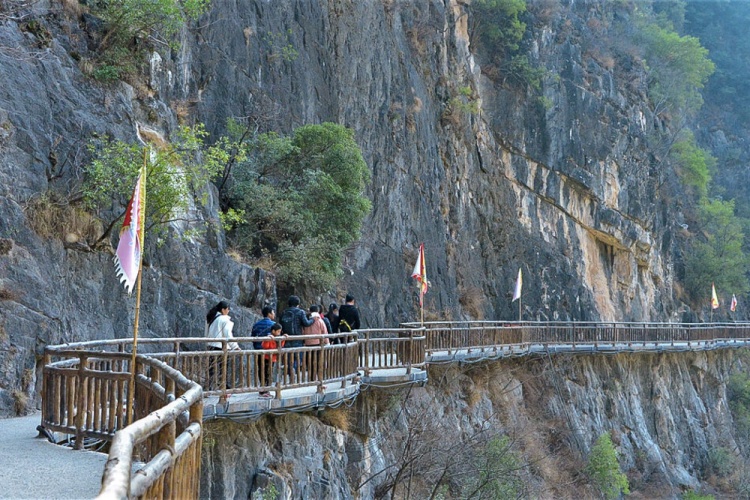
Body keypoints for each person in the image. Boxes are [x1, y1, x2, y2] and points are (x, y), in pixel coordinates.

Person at [205, 300, 240, 390]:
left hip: (211, 345)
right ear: (223, 309)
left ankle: (209, 386)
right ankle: (223, 385)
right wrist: (235, 347)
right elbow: (228, 335)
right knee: (223, 367)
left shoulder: (211, 318)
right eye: (228, 309)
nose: (228, 311)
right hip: (222, 347)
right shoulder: (224, 319)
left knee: (211, 368)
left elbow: (206, 333)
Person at [279, 295, 315, 381]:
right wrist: (313, 320)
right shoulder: (300, 312)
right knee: (298, 357)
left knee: (288, 356)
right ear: (298, 304)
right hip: (297, 338)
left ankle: (290, 370)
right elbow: (306, 323)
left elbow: (280, 324)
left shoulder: (284, 312)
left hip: (286, 338)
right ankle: (293, 370)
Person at [303, 305, 329, 388]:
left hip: (307, 344)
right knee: (318, 362)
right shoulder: (320, 321)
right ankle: (319, 379)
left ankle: (311, 379)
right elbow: (324, 332)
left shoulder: (306, 320)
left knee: (309, 362)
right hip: (318, 344)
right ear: (317, 311)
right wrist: (327, 342)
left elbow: (303, 331)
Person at [259, 323, 286, 398]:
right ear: (273, 331)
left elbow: (281, 346)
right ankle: (263, 390)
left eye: (280, 331)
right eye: (278, 331)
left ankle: (266, 389)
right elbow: (265, 346)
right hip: (266, 358)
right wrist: (268, 340)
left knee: (269, 374)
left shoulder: (277, 338)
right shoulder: (268, 337)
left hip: (272, 358)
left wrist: (283, 339)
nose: (279, 333)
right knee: (265, 374)